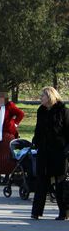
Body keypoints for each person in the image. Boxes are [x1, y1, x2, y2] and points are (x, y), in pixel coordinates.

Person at [31, 86, 69, 220]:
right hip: (44, 151)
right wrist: (35, 141)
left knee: (60, 183)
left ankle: (63, 212)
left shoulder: (63, 111)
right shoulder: (41, 111)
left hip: (59, 152)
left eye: (43, 96)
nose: (41, 98)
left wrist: (67, 149)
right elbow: (38, 129)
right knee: (41, 181)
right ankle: (36, 211)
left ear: (50, 96)